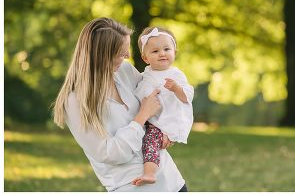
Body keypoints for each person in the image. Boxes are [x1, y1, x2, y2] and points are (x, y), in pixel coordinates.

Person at [53, 18, 188, 192]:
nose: (128, 57)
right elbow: (109, 154)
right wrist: (141, 117)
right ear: (101, 55)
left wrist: (169, 131)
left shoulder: (125, 71)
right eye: (121, 53)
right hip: (132, 187)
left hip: (172, 181)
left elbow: (162, 101)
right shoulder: (75, 101)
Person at [132, 27, 193, 187]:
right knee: (147, 139)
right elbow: (139, 94)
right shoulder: (145, 75)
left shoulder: (176, 74)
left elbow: (187, 96)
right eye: (155, 51)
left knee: (149, 142)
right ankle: (150, 172)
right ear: (145, 58)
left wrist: (176, 88)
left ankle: (149, 173)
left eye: (167, 49)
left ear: (174, 52)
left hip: (168, 120)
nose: (162, 53)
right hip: (152, 118)